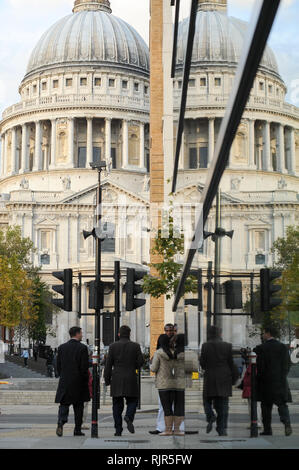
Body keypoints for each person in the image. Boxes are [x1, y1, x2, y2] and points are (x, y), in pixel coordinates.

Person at [104, 325, 143, 437]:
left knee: (117, 405)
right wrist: (132, 366)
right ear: (129, 334)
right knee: (133, 401)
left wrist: (107, 380)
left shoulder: (112, 346)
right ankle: (129, 416)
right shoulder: (135, 346)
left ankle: (118, 430)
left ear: (119, 334)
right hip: (130, 376)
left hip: (116, 378)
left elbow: (108, 365)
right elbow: (140, 362)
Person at [200, 326, 238, 436]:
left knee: (207, 400)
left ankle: (210, 415)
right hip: (224, 378)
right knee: (223, 405)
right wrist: (234, 378)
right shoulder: (227, 346)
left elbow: (203, 364)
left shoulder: (205, 346)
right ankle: (222, 429)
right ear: (220, 334)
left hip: (210, 377)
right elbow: (231, 363)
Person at [255, 326, 292, 437]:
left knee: (266, 407)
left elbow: (259, 366)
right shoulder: (282, 347)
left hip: (266, 382)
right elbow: (287, 365)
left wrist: (261, 377)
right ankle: (286, 423)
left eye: (263, 333)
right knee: (282, 405)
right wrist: (282, 376)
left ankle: (267, 430)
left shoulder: (261, 348)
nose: (262, 335)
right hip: (280, 381)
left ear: (268, 333)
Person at [55, 326, 90, 437]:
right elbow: (84, 367)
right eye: (81, 333)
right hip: (78, 382)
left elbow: (58, 365)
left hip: (65, 381)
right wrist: (85, 379)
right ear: (77, 334)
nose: (82, 335)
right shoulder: (82, 348)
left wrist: (63, 375)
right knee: (78, 407)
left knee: (64, 404)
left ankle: (61, 422)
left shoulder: (61, 347)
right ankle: (77, 430)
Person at [151, 334, 184, 436]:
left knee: (167, 408)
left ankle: (168, 430)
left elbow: (153, 368)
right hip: (175, 383)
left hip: (163, 385)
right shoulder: (176, 353)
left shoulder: (159, 353)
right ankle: (177, 430)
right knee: (177, 408)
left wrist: (150, 364)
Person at [149, 324, 175, 435]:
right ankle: (167, 427)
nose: (169, 332)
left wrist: (151, 362)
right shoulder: (173, 350)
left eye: (170, 330)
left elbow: (153, 368)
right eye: (167, 330)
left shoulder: (160, 352)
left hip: (164, 382)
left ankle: (165, 428)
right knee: (167, 405)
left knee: (165, 406)